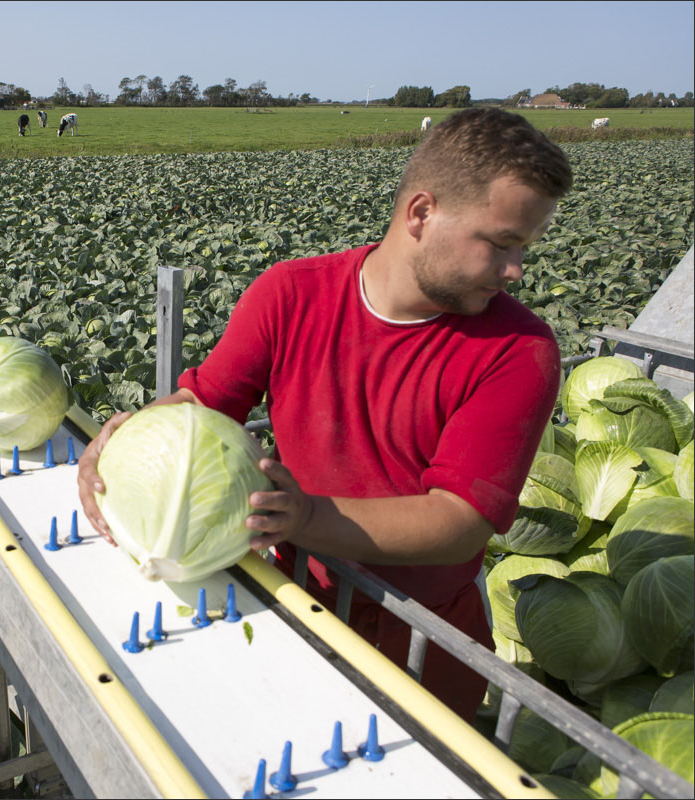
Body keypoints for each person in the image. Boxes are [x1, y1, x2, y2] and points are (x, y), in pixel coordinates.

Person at [78, 107, 572, 723]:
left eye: (522, 248)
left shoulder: (520, 351)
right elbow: (200, 404)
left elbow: (460, 520)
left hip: (421, 644)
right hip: (290, 604)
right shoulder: (291, 294)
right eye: (501, 245)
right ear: (422, 214)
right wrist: (121, 445)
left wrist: (306, 515)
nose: (515, 272)